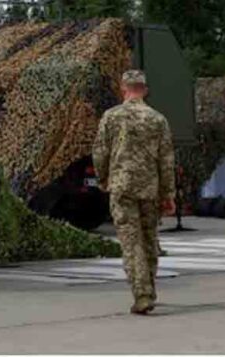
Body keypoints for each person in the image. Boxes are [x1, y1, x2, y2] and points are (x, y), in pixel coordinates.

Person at [92, 69, 175, 315]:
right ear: (145, 90)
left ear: (123, 88)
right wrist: (168, 194)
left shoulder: (111, 116)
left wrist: (103, 178)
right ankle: (150, 289)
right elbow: (167, 160)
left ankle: (142, 294)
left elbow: (100, 152)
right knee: (149, 240)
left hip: (122, 187)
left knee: (131, 242)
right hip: (149, 188)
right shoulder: (158, 119)